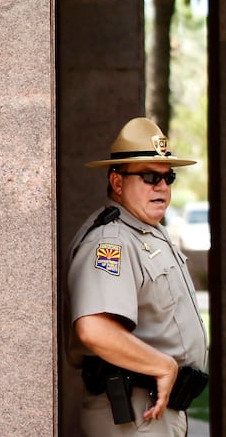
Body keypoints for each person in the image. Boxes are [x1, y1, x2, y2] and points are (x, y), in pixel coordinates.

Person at [67, 118, 209, 436]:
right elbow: (93, 328)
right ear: (117, 183)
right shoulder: (111, 241)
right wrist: (164, 365)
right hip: (133, 415)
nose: (161, 186)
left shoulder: (147, 233)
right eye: (149, 176)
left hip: (152, 412)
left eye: (168, 177)